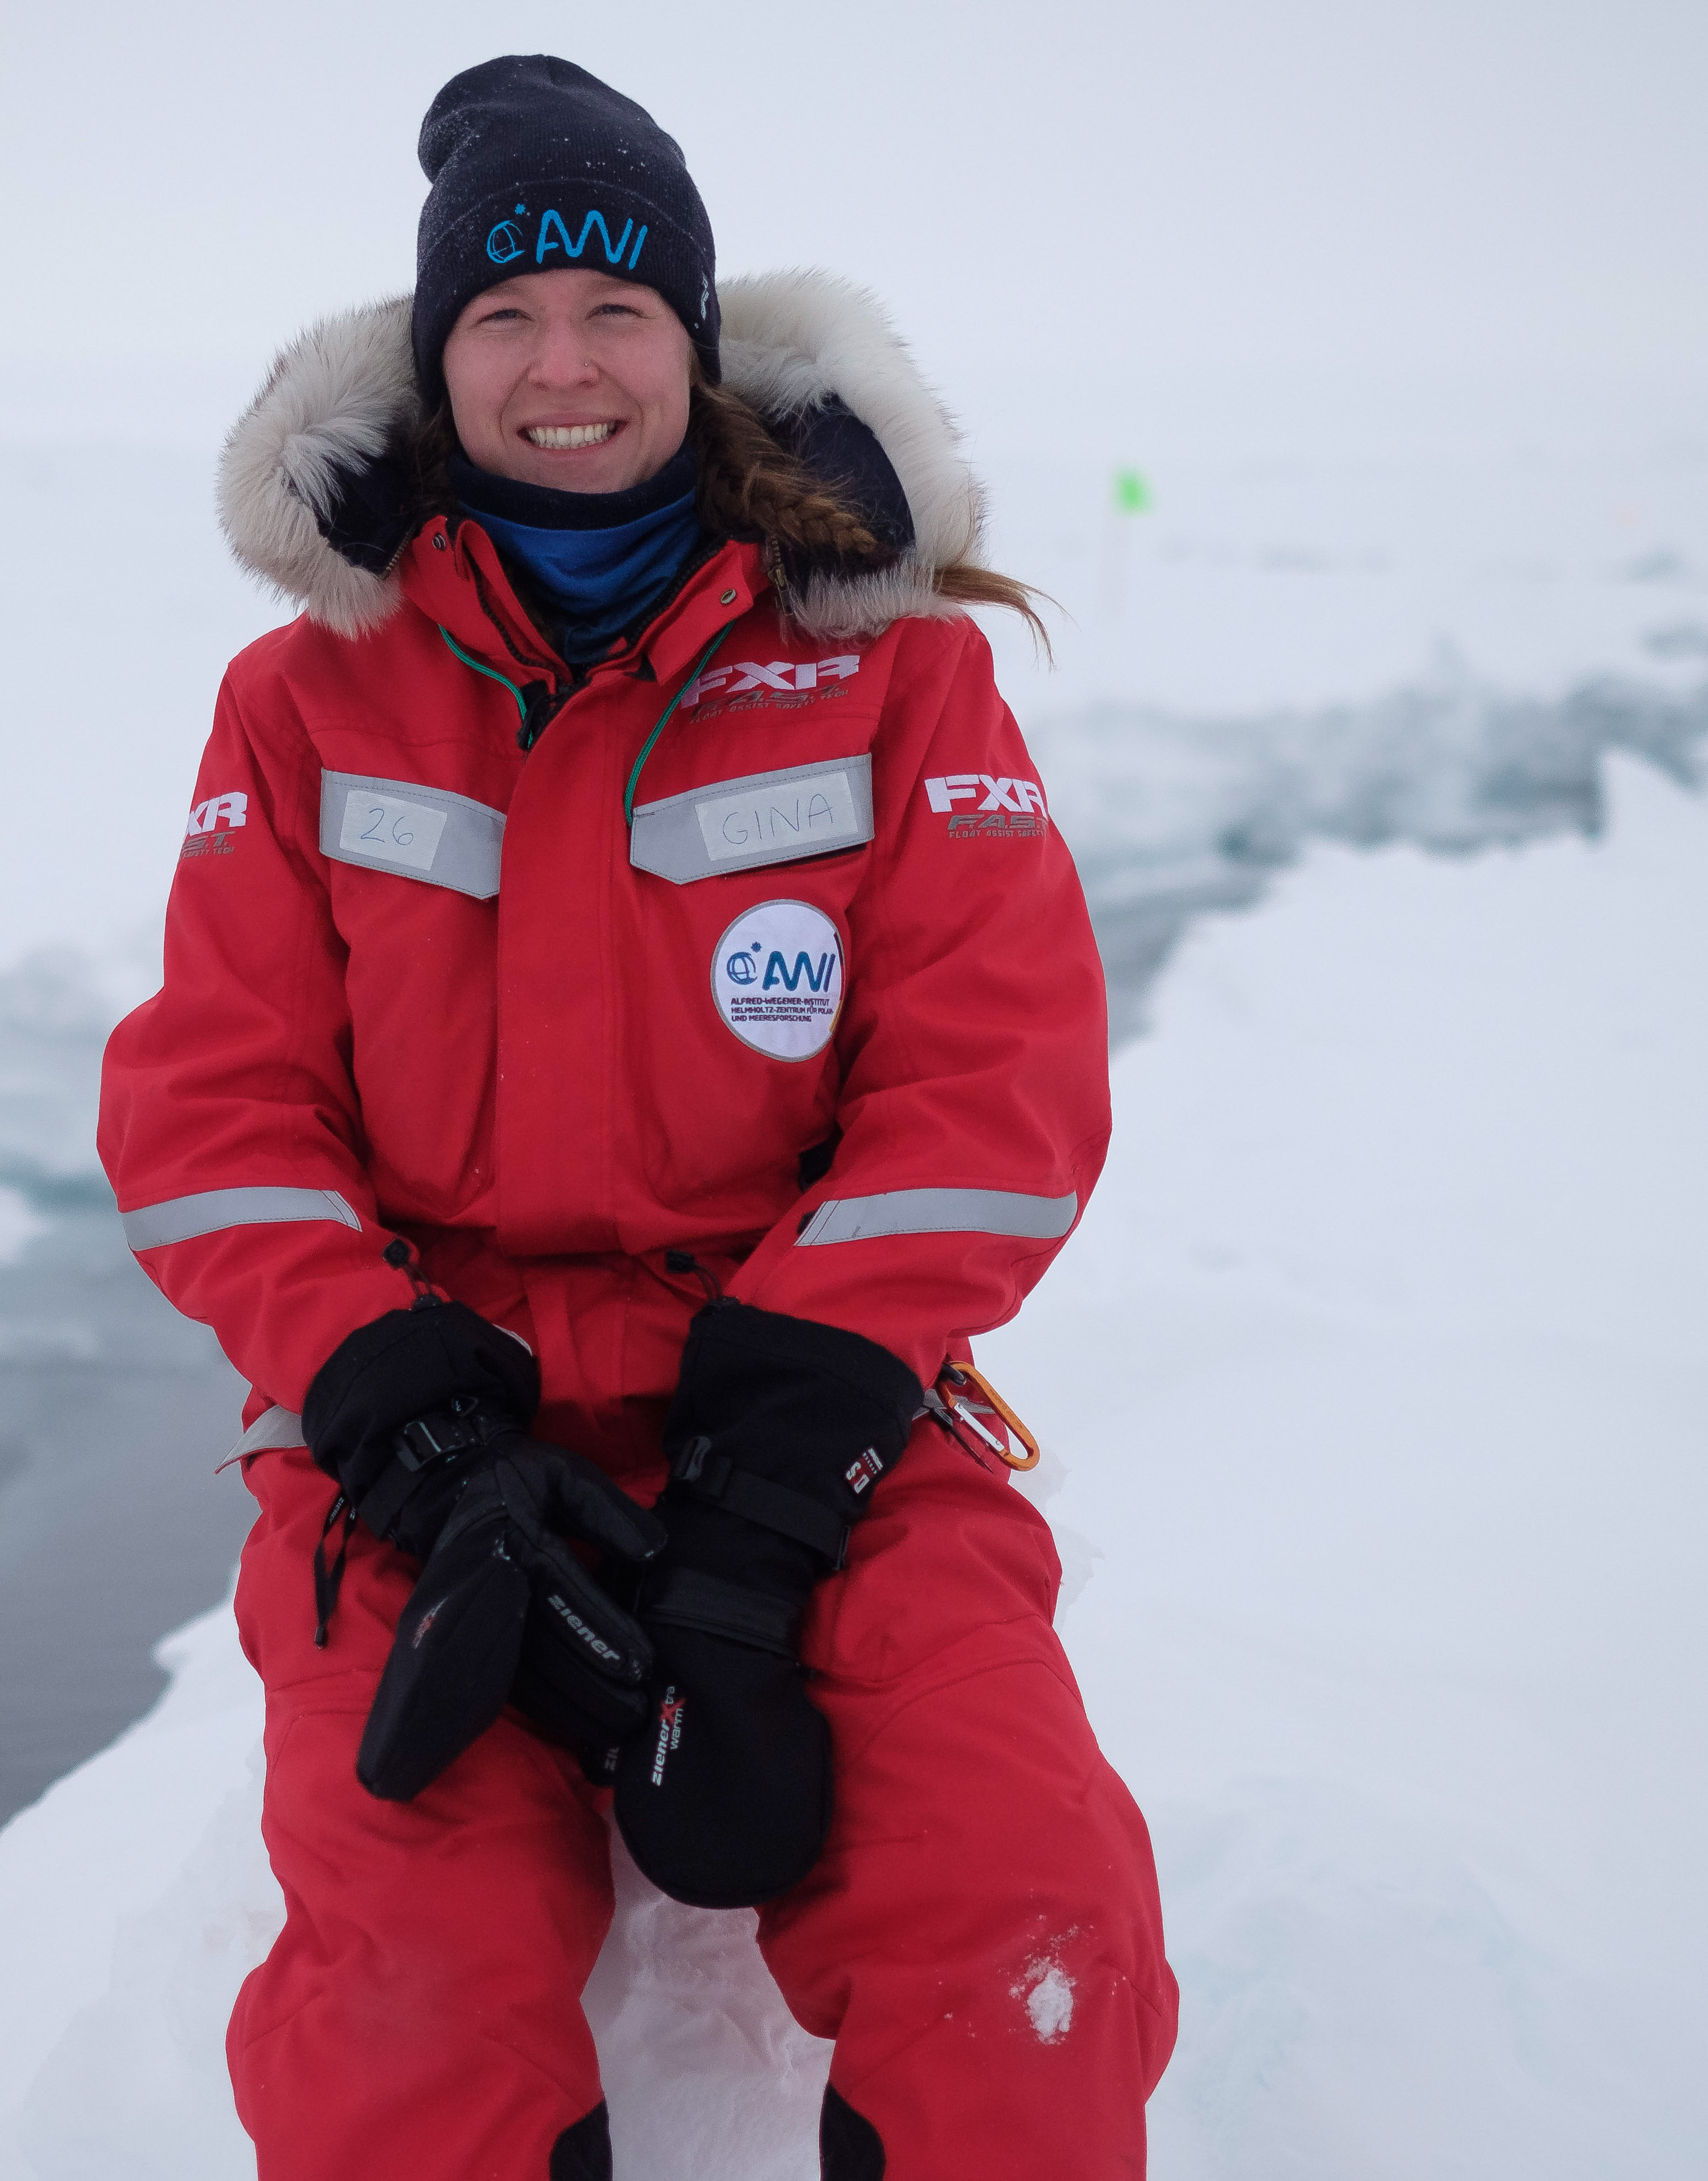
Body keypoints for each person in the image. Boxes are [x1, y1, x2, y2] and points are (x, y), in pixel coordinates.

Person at [99, 52, 1176, 2181]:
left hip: (820, 1413)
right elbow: (216, 1102)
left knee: (1025, 1931)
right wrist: (393, 1407)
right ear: (435, 362)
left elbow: (996, 1083)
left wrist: (782, 1481)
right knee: (405, 2009)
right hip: (432, 1440)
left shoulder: (887, 674)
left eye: (617, 311)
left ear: (694, 345)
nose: (561, 366)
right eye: (502, 316)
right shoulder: (305, 693)